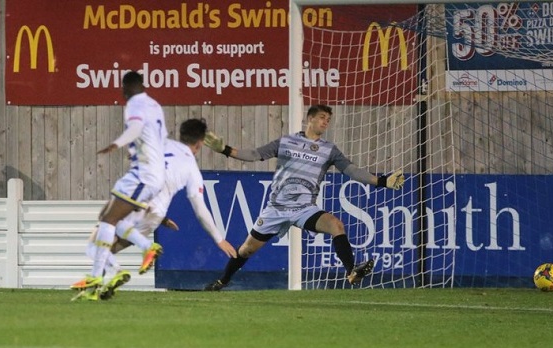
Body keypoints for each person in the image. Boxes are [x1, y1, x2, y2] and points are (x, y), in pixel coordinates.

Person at [201, 104, 405, 291]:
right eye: (322, 117)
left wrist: (381, 181)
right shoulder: (286, 142)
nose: (326, 122)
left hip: (304, 208)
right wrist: (225, 149)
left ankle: (351, 271)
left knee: (337, 225)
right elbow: (255, 154)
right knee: (246, 250)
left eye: (328, 120)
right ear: (310, 119)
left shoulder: (329, 150)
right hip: (276, 208)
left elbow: (352, 171)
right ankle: (222, 281)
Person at [78, 119, 238, 301]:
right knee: (101, 249)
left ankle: (123, 265)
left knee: (95, 243)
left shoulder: (162, 144)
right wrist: (219, 239)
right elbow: (200, 209)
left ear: (181, 135)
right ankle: (109, 279)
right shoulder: (192, 169)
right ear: (200, 143)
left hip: (136, 205)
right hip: (153, 217)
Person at [71, 71, 167, 298]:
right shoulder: (155, 105)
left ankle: (101, 272)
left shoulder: (134, 103)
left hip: (143, 174)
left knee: (107, 220)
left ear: (127, 87)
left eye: (122, 89)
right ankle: (110, 273)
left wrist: (116, 144)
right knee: (111, 218)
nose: (122, 94)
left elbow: (134, 129)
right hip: (152, 174)